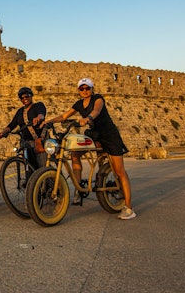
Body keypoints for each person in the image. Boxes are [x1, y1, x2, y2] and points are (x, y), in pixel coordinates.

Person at [44, 78, 136, 220]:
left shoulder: (98, 99)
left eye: (87, 88)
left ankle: (129, 208)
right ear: (79, 90)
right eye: (82, 88)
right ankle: (78, 189)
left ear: (92, 89)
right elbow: (64, 116)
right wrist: (48, 121)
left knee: (119, 170)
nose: (85, 91)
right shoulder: (79, 104)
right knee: (75, 153)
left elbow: (96, 110)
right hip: (95, 135)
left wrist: (88, 118)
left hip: (109, 136)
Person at [0, 87, 47, 172]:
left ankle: (49, 179)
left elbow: (41, 114)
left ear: (31, 96)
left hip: (38, 141)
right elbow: (12, 124)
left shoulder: (38, 105)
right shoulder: (20, 111)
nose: (24, 99)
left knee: (43, 166)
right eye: (22, 98)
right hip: (26, 142)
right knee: (29, 166)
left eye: (27, 96)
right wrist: (4, 132)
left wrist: (38, 118)